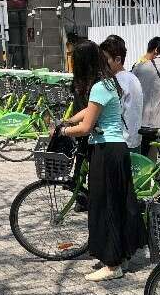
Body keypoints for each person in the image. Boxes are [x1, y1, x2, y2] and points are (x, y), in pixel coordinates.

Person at [55, 40, 143, 282]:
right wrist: (71, 119)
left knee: (106, 207)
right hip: (115, 150)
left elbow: (86, 127)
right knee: (117, 202)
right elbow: (90, 112)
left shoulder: (98, 87)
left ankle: (113, 265)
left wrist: (63, 131)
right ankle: (118, 255)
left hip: (106, 151)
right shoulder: (107, 83)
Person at [100, 35, 143, 152]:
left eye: (105, 59)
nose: (102, 64)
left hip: (120, 141)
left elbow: (111, 112)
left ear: (118, 60)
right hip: (134, 138)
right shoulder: (132, 77)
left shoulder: (117, 81)